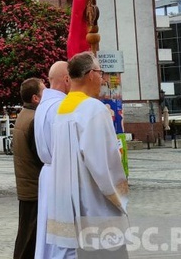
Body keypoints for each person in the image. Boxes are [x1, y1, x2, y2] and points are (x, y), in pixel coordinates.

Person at [47, 52, 129, 258]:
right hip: (95, 206)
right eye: (100, 73)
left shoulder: (61, 110)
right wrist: (120, 192)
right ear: (90, 74)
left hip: (70, 206)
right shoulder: (93, 109)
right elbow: (103, 164)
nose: (102, 79)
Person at [34, 61, 71, 259]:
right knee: (62, 235)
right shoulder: (61, 106)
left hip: (49, 172)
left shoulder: (43, 105)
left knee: (48, 230)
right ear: (66, 79)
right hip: (61, 174)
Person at [12, 78, 45, 259]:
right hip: (34, 188)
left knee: (26, 237)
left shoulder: (24, 115)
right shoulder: (34, 120)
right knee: (29, 241)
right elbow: (41, 157)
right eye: (44, 90)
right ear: (35, 98)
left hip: (27, 187)